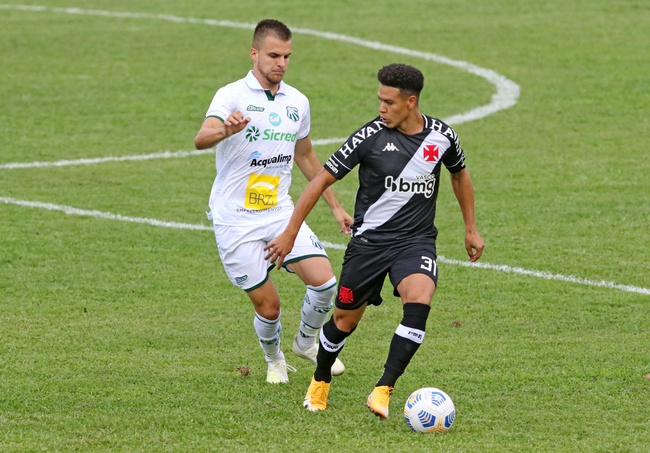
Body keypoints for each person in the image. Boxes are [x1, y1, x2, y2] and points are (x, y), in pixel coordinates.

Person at [264, 63, 485, 417]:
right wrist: (290, 233)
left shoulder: (442, 137)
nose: (381, 108)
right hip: (369, 245)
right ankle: (320, 380)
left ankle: (383, 389)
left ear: (410, 102)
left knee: (420, 300)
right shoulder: (368, 137)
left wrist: (470, 227)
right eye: (379, 100)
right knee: (344, 321)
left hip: (415, 242)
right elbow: (319, 180)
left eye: (388, 102)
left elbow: (460, 176)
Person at [194, 19, 351, 384]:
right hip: (235, 219)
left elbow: (308, 157)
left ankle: (306, 343)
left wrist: (335, 205)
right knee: (270, 305)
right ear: (254, 54)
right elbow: (201, 138)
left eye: (287, 56)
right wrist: (225, 130)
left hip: (279, 211)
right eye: (273, 55)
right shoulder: (231, 95)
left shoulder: (297, 102)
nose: (281, 62)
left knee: (326, 283)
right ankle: (274, 358)